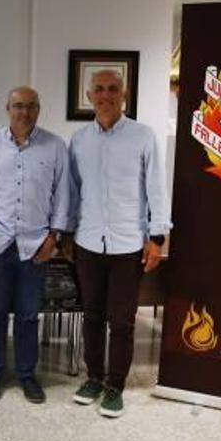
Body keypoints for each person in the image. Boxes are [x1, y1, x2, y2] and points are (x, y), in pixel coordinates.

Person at [68, 69, 171, 418]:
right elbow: (73, 192)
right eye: (99, 89)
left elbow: (157, 188)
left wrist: (157, 238)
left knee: (122, 322)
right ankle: (93, 378)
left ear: (123, 95)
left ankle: (115, 387)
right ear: (89, 95)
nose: (105, 96)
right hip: (88, 244)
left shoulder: (143, 137)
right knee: (92, 316)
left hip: (129, 245)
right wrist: (67, 232)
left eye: (113, 89)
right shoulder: (79, 140)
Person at [0, 86, 70, 404]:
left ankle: (27, 375)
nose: (24, 112)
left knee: (29, 315)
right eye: (18, 106)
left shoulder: (55, 146)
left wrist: (54, 237)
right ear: (7, 108)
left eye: (31, 106)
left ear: (39, 109)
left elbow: (63, 195)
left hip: (36, 245)